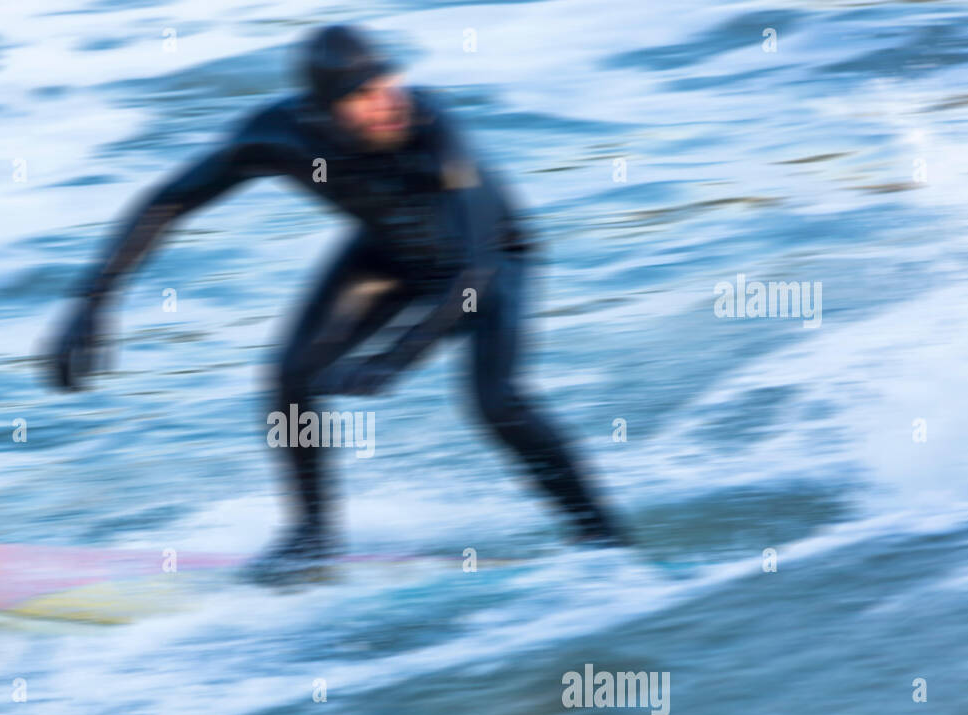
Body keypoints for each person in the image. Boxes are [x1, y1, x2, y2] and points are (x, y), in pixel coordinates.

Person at [51, 24, 629, 580]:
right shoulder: (276, 137)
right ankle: (313, 536)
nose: (387, 102)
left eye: (388, 82)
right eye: (364, 95)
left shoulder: (433, 129)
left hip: (490, 263)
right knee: (290, 375)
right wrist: (93, 300)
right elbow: (167, 202)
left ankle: (601, 537)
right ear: (324, 111)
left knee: (494, 399)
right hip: (387, 259)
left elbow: (475, 272)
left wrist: (395, 358)